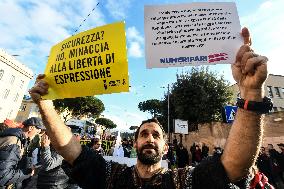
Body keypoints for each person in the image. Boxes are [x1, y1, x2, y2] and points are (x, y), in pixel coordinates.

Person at [29, 27, 270, 188]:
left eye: (156, 135)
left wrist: (250, 93)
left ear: (165, 147)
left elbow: (234, 165)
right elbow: (69, 149)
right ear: (135, 144)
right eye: (144, 134)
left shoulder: (182, 181)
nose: (150, 138)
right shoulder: (112, 177)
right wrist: (46, 106)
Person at [0, 117, 44, 188]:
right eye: (37, 132)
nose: (36, 135)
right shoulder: (14, 142)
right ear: (31, 128)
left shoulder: (17, 137)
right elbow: (3, 176)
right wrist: (29, 172)